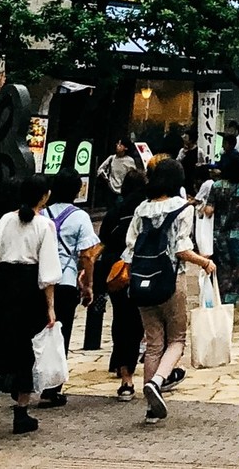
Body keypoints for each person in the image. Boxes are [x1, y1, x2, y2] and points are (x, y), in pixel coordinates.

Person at [125, 157, 216, 423]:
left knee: (153, 343)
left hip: (142, 283)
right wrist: (205, 262)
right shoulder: (182, 208)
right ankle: (158, 382)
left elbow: (129, 251)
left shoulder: (141, 209)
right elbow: (181, 249)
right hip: (170, 281)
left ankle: (151, 408)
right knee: (177, 340)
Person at [0, 176, 58, 435]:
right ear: (44, 196)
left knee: (1, 343)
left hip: (3, 284)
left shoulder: (3, 221)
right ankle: (21, 413)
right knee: (26, 349)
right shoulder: (44, 225)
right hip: (28, 288)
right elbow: (48, 272)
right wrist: (51, 307)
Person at [37, 168, 102, 407]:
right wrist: (88, 285)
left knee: (38, 330)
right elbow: (87, 255)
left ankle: (32, 379)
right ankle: (52, 388)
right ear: (77, 190)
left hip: (40, 281)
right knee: (60, 334)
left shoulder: (41, 214)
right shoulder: (80, 217)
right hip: (65, 281)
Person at [98, 170, 146, 401]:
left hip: (116, 273)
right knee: (136, 321)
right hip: (139, 271)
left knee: (120, 318)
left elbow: (105, 239)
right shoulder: (145, 210)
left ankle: (121, 365)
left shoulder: (116, 211)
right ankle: (128, 371)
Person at [201, 147, 239, 303]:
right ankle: (236, 299)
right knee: (238, 269)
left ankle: (220, 297)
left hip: (219, 236)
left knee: (221, 268)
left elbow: (209, 211)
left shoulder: (216, 187)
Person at [96, 138, 141, 209]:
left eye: (120, 144)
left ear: (125, 148)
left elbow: (133, 176)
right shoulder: (112, 158)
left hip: (123, 191)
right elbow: (100, 169)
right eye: (118, 144)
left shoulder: (130, 161)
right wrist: (106, 179)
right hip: (111, 189)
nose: (117, 145)